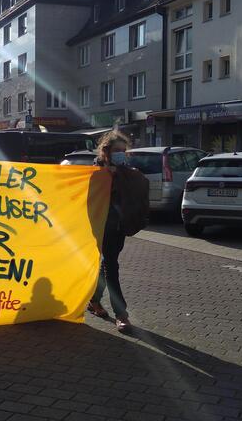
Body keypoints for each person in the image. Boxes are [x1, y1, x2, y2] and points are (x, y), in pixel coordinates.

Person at [88, 130, 132, 332]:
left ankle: (94, 301)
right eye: (117, 151)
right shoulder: (96, 171)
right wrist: (108, 177)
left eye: (124, 151)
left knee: (107, 265)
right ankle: (121, 314)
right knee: (112, 268)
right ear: (106, 151)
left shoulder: (126, 170)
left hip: (119, 226)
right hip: (103, 226)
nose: (121, 154)